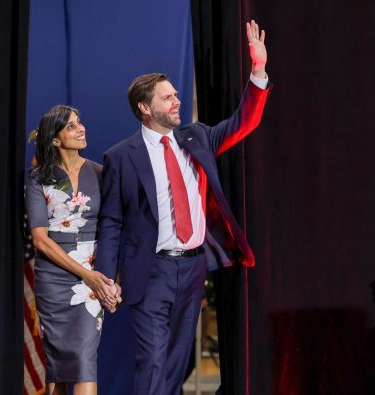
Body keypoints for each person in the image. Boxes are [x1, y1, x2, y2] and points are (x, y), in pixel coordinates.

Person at [94, 20, 271, 394]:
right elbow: (110, 221)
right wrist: (105, 279)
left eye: (176, 95)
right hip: (151, 270)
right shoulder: (121, 156)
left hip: (193, 267)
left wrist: (257, 71)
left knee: (176, 361)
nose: (176, 102)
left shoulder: (198, 137)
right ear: (145, 108)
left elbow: (244, 122)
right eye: (167, 98)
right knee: (154, 359)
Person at [25, 105, 120, 395]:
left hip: (91, 280)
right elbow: (40, 239)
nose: (81, 129)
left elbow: (114, 229)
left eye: (80, 123)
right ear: (55, 139)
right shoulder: (37, 179)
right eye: (71, 126)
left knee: (83, 358)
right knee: (58, 369)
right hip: (53, 280)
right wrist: (87, 275)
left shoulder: (101, 174)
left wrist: (109, 279)